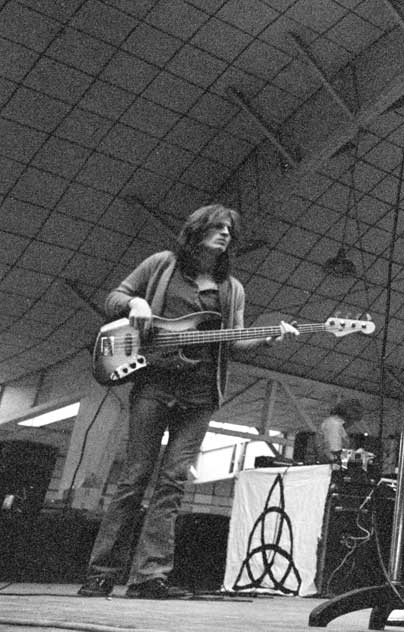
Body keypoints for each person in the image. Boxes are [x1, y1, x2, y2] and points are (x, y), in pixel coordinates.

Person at [77, 204, 296, 599]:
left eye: (230, 228)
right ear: (197, 230)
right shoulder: (162, 265)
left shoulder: (232, 289)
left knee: (173, 482)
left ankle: (149, 577)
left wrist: (269, 336)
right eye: (218, 226)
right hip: (154, 383)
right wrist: (136, 304)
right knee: (134, 477)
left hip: (200, 395)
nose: (226, 233)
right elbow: (115, 297)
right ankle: (100, 573)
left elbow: (234, 340)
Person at [317, 399, 365, 463]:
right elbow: (335, 453)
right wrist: (358, 455)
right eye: (354, 420)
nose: (352, 424)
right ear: (349, 416)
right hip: (329, 468)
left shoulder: (334, 423)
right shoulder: (334, 424)